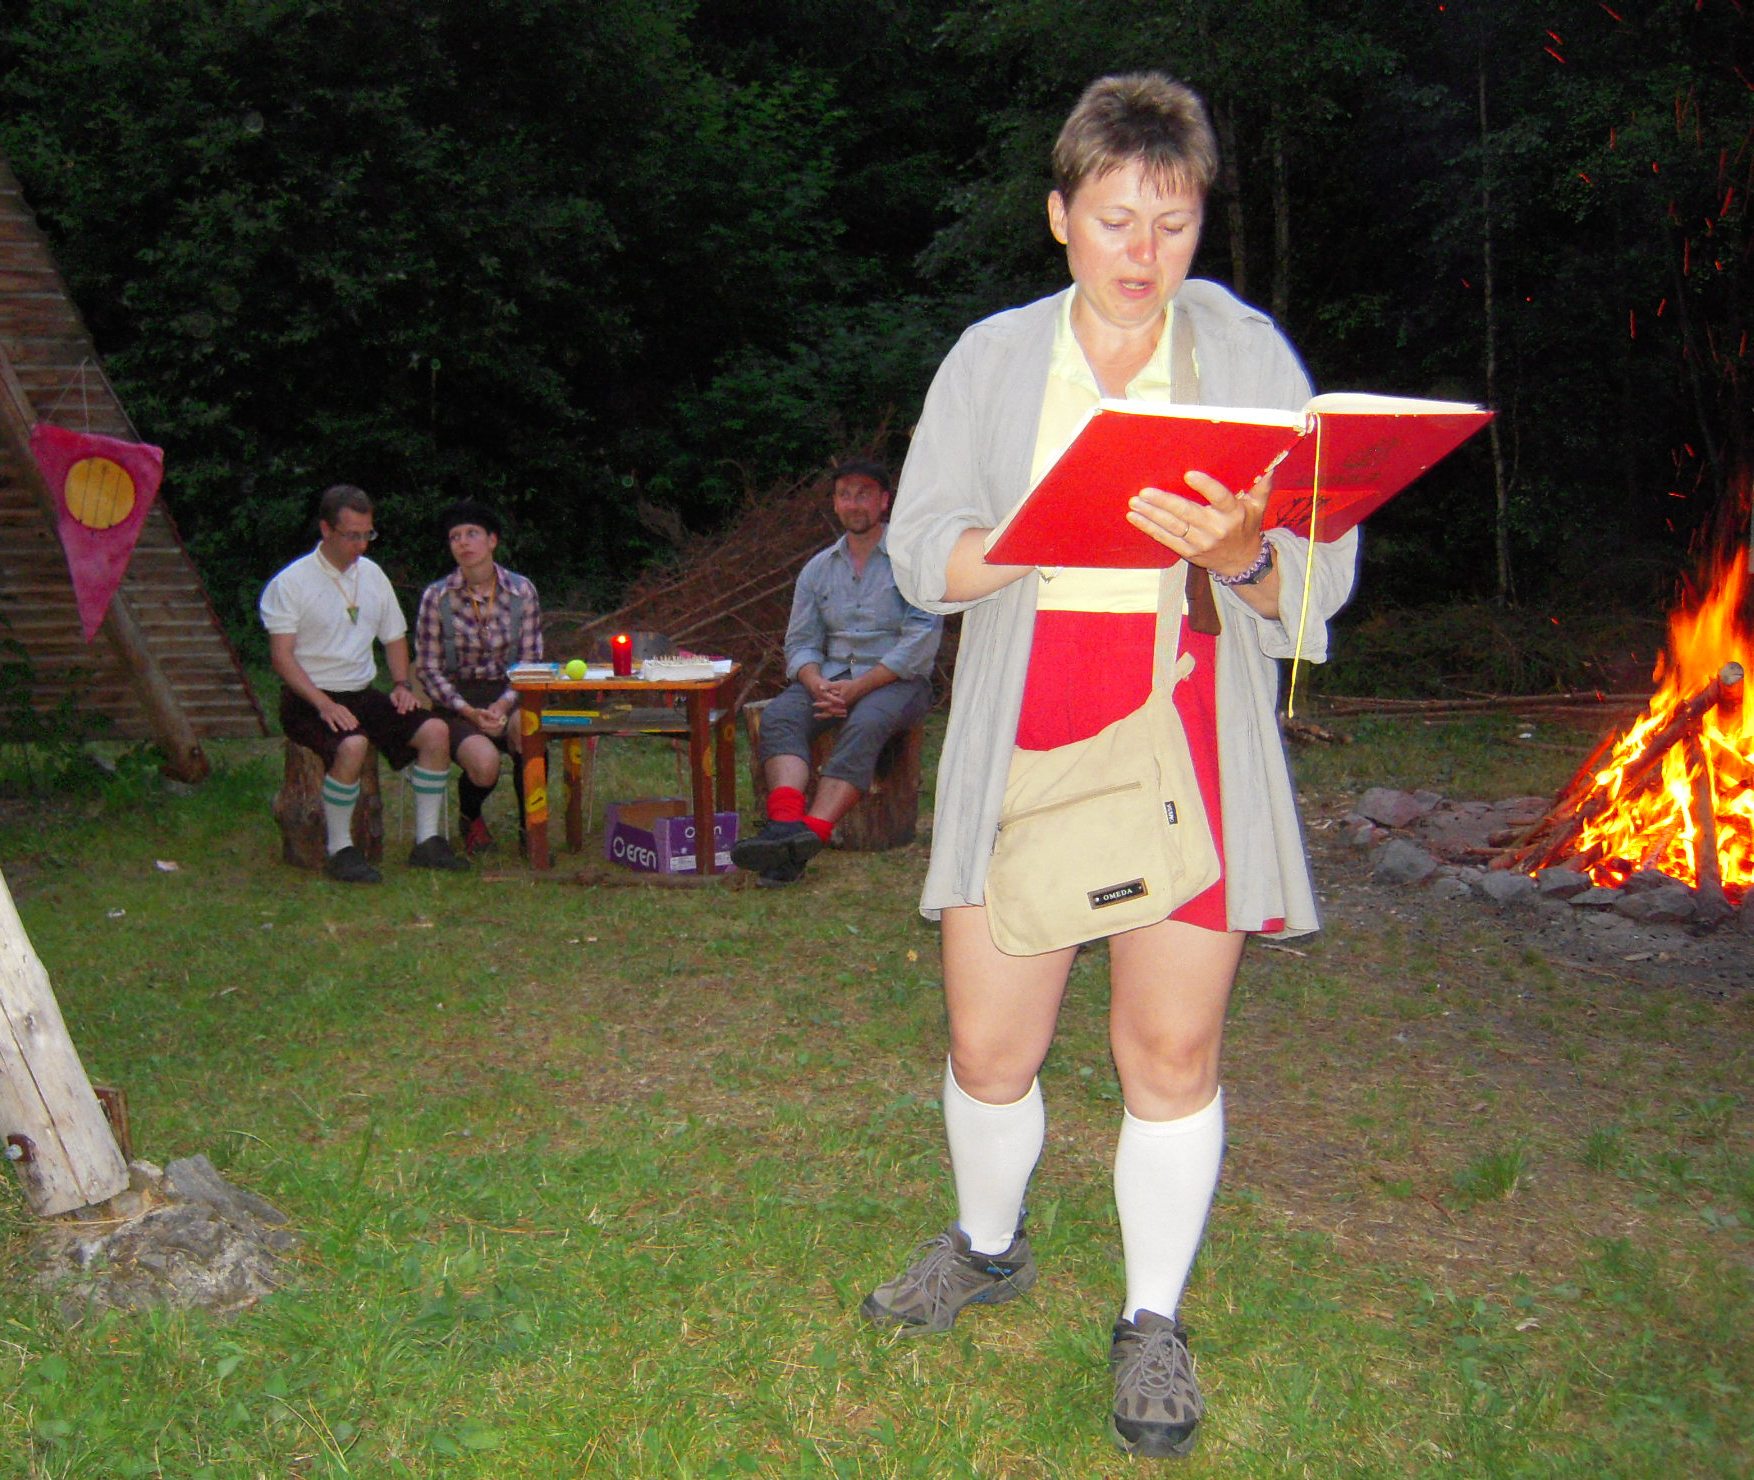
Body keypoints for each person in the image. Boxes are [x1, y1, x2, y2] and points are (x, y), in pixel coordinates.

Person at [871, 73, 1360, 1458]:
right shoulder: (991, 358)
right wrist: (1038, 531)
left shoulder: (1247, 354)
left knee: (1170, 1049)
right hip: (1024, 720)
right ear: (1058, 217)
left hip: (1186, 724)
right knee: (989, 1045)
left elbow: (1319, 575)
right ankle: (985, 1243)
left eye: (1172, 222)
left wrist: (1245, 556)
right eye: (1112, 220)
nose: (1143, 253)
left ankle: (1152, 1317)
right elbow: (920, 551)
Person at [731, 460, 943, 886]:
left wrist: (858, 688)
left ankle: (811, 834)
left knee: (866, 722)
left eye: (864, 494)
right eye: (845, 495)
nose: (854, 503)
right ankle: (785, 828)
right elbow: (801, 642)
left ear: (884, 501)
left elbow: (920, 641)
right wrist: (815, 682)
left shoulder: (912, 562)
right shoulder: (818, 568)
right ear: (834, 503)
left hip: (898, 682)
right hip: (829, 678)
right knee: (781, 716)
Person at [261, 484, 470, 882]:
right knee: (352, 744)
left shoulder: (372, 575)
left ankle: (427, 841)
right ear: (326, 529)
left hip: (361, 693)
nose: (361, 545)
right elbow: (282, 658)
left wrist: (401, 685)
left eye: (367, 534)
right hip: (308, 698)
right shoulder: (291, 583)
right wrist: (323, 704)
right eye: (352, 535)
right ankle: (340, 849)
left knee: (435, 732)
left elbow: (393, 636)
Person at [413, 500, 544, 856]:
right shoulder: (437, 597)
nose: (463, 543)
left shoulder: (522, 591)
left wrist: (503, 703)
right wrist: (467, 710)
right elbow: (428, 669)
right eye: (455, 537)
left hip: (510, 692)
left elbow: (530, 661)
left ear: (492, 541)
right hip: (457, 700)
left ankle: (532, 828)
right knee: (485, 765)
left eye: (472, 534)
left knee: (529, 732)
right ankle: (470, 816)